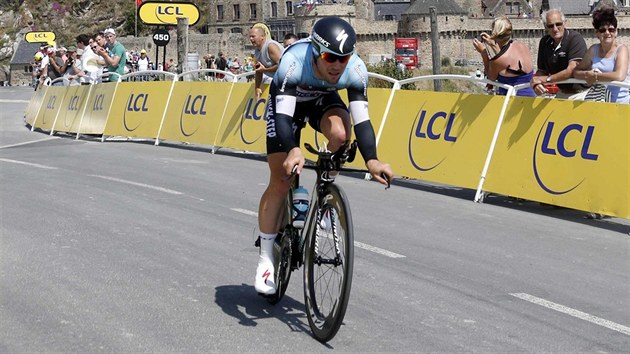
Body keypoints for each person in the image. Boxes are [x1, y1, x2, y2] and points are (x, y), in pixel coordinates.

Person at [254, 16, 394, 295]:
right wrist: (293, 149)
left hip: (321, 100)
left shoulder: (354, 69)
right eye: (331, 57)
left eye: (344, 58)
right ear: (317, 52)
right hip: (288, 104)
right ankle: (266, 258)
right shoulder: (293, 61)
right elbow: (282, 116)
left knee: (342, 136)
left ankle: (322, 194)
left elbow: (362, 120)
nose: (337, 65)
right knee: (280, 179)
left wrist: (372, 160)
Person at [574, 6, 629, 104]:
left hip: (620, 103)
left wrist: (595, 76)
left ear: (616, 32)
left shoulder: (621, 50)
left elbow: (619, 75)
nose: (607, 33)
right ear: (597, 33)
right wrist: (587, 74)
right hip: (599, 103)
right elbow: (576, 71)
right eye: (602, 30)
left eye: (611, 30)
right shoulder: (593, 50)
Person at [530, 9, 588, 99]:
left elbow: (571, 70)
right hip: (562, 93)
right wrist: (536, 83)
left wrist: (547, 80)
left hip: (582, 93)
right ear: (545, 27)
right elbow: (542, 71)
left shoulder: (575, 39)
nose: (555, 29)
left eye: (558, 24)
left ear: (564, 23)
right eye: (550, 26)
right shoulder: (544, 42)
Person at [472, 16, 535, 97]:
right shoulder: (523, 47)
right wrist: (494, 45)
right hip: (531, 97)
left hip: (512, 102)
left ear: (495, 34)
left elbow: (491, 77)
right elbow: (507, 58)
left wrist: (483, 53)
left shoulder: (498, 61)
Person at [249, 23, 284, 99]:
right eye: (250, 37)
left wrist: (265, 70)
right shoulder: (257, 50)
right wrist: (257, 88)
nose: (251, 39)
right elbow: (258, 71)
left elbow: (283, 66)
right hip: (277, 81)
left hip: (287, 82)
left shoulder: (271, 46)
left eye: (253, 36)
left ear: (262, 36)